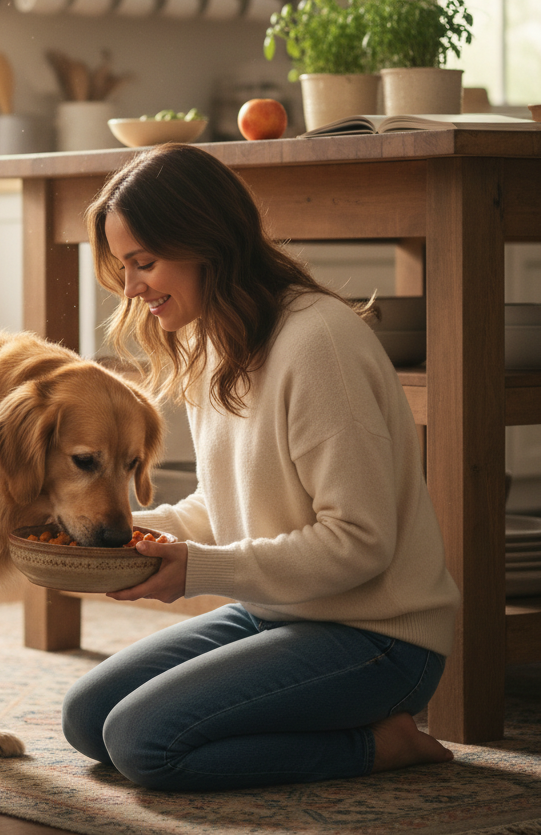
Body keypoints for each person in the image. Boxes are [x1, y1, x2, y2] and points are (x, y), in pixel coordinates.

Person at [61, 143, 459, 792]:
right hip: (280, 611)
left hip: (379, 639)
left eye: (143, 264)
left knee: (143, 744)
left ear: (206, 243)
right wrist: (112, 535)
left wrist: (197, 569)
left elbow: (360, 544)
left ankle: (377, 744)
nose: (132, 289)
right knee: (87, 719)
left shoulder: (316, 344)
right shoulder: (212, 339)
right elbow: (227, 507)